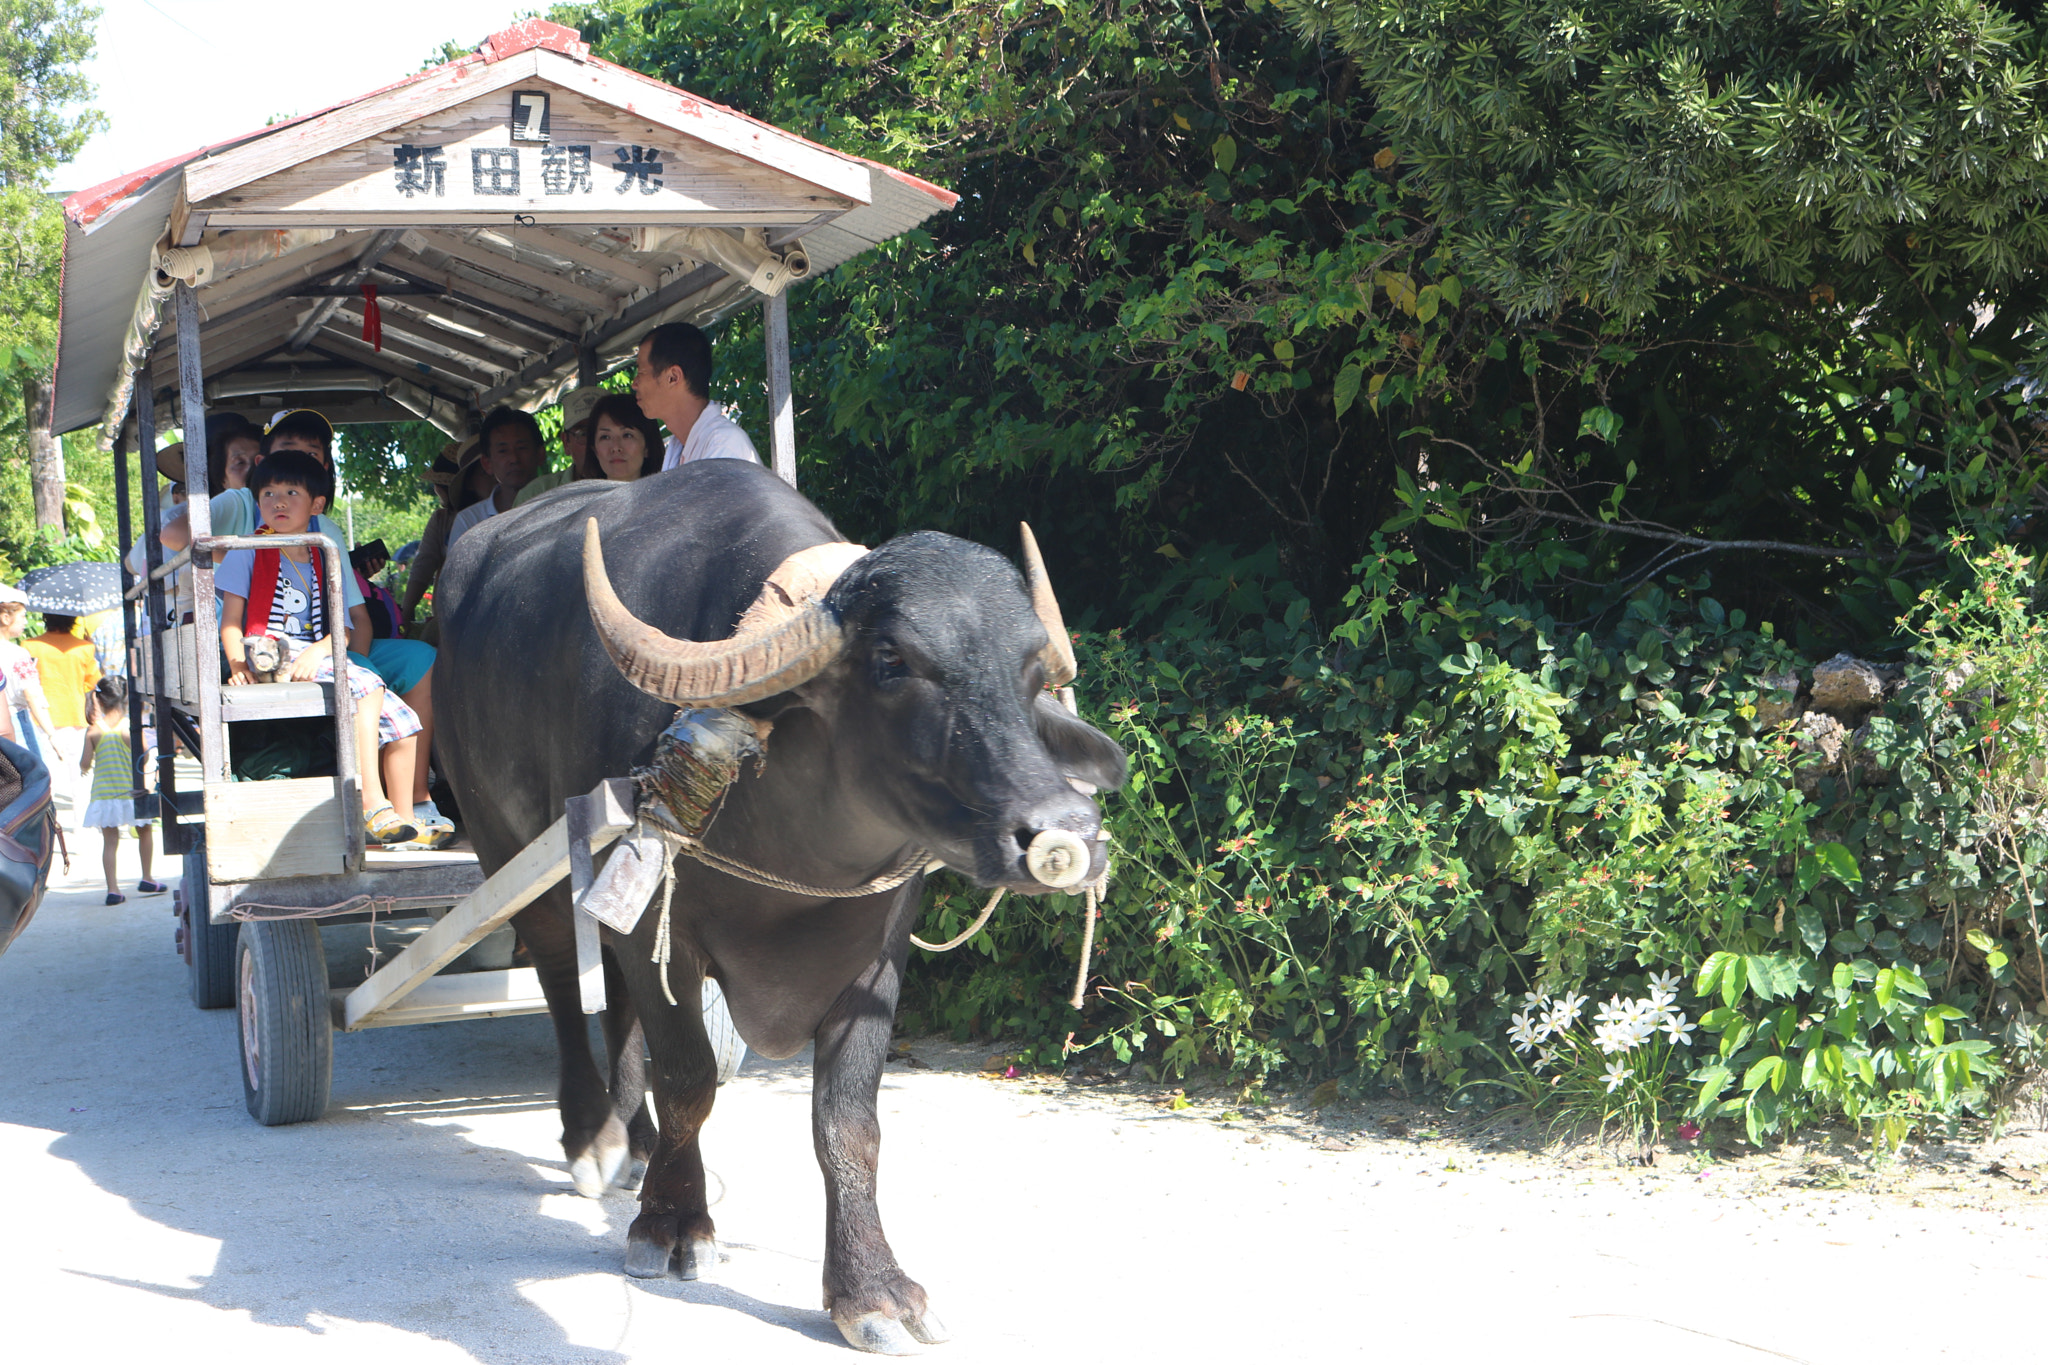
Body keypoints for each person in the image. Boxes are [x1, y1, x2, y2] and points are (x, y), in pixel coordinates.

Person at [215, 452, 428, 848]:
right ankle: (370, 801)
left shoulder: (323, 552)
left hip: (317, 654)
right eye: (268, 493)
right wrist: (237, 663)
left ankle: (404, 821)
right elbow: (231, 621)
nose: (278, 502)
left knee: (404, 721)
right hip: (270, 654)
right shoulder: (247, 549)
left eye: (291, 492)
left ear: (316, 505)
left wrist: (317, 652)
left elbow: (344, 629)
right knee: (366, 684)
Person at [78, 677, 164, 905]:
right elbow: (144, 756)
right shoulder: (130, 729)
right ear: (126, 699)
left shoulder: (94, 731)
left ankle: (113, 890)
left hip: (105, 795)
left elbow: (84, 763)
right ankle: (147, 878)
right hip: (131, 793)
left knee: (110, 842)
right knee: (144, 832)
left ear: (100, 700)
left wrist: (85, 768)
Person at [632, 322, 760, 471]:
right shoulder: (679, 445)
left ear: (673, 377)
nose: (634, 384)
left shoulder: (723, 446)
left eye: (641, 372)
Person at [25, 613, 102, 828]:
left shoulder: (30, 645)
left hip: (41, 718)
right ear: (72, 619)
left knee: (47, 777)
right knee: (79, 775)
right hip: (74, 716)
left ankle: (46, 826)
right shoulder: (84, 648)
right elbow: (91, 683)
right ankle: (82, 827)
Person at [400, 437, 484, 630]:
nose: (435, 489)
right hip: (450, 620)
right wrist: (406, 612)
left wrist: (406, 612)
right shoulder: (442, 519)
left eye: (438, 484)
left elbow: (423, 566)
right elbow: (423, 566)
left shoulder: (490, 511)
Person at [447, 407, 546, 548]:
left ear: (540, 454)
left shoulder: (560, 507)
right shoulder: (469, 522)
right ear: (487, 463)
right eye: (503, 451)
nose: (513, 458)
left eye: (522, 447)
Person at [516, 386, 605, 505]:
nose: (594, 444)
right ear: (566, 442)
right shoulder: (536, 495)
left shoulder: (632, 488)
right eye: (583, 434)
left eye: (605, 435)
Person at [0, 585, 56, 762]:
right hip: (15, 723)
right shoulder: (18, 654)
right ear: (6, 617)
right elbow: (32, 696)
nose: (25, 622)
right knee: (30, 779)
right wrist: (51, 734)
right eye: (22, 616)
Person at [588, 393, 667, 482]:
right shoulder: (580, 495)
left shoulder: (671, 494)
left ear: (647, 447)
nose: (616, 447)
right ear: (595, 450)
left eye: (627, 435)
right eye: (605, 437)